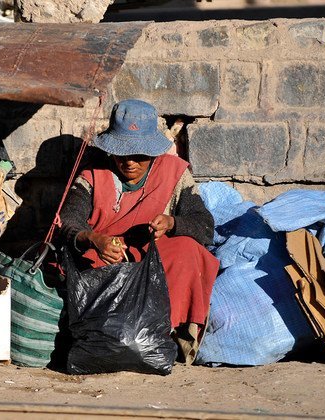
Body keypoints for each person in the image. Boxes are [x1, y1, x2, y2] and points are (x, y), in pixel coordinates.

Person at [59, 99, 219, 363]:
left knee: (187, 250)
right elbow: (68, 220)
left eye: (139, 155)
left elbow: (204, 225)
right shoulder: (92, 175)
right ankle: (108, 337)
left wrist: (172, 223)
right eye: (122, 154)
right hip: (105, 257)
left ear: (153, 152)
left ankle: (163, 333)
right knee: (85, 262)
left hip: (151, 259)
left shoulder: (175, 173)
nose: (129, 163)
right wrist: (94, 239)